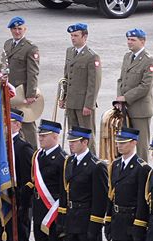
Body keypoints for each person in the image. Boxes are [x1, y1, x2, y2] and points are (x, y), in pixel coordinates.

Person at [29, 119, 69, 241]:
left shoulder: (63, 159)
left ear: (55, 136)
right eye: (40, 135)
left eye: (44, 136)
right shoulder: (38, 156)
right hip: (39, 212)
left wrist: (62, 218)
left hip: (55, 214)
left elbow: (65, 191)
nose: (40, 139)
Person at [0, 110, 34, 241]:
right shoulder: (3, 146)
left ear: (18, 125)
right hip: (5, 203)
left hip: (20, 204)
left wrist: (20, 200)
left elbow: (30, 179)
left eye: (10, 122)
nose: (6, 125)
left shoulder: (22, 147)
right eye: (5, 121)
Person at [115, 29, 153, 161]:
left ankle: (142, 174)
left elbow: (145, 86)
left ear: (142, 41)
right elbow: (121, 80)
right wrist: (119, 99)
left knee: (141, 146)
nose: (129, 42)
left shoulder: (149, 61)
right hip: (125, 108)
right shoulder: (127, 57)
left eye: (133, 40)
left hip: (140, 110)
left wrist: (126, 98)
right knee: (125, 143)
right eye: (128, 39)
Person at [61, 23, 101, 152]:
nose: (73, 38)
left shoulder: (91, 56)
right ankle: (75, 161)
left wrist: (88, 105)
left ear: (85, 36)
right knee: (73, 135)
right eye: (71, 36)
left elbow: (94, 83)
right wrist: (63, 97)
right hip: (71, 102)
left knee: (86, 136)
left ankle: (92, 162)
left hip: (83, 103)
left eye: (76, 35)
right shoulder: (70, 51)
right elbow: (66, 76)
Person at [3, 16, 39, 143]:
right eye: (14, 29)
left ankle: (32, 153)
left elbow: (33, 72)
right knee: (11, 123)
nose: (17, 31)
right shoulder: (8, 44)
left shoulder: (30, 48)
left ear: (25, 30)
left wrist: (31, 94)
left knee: (27, 125)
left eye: (19, 29)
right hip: (9, 91)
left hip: (22, 93)